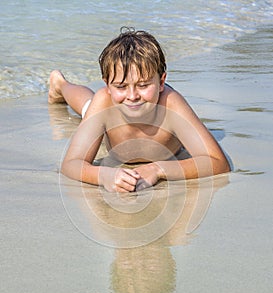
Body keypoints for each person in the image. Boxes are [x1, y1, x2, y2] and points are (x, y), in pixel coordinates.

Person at [48, 27, 230, 192]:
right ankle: (61, 85)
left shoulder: (170, 104)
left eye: (143, 85)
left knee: (92, 106)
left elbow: (218, 162)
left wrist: (158, 169)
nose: (132, 95)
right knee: (88, 105)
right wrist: (103, 176)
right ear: (107, 85)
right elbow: (70, 164)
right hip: (106, 111)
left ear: (161, 82)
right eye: (120, 86)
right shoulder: (104, 101)